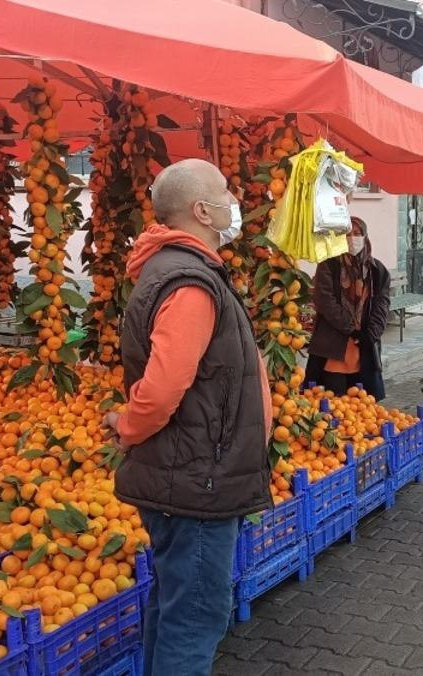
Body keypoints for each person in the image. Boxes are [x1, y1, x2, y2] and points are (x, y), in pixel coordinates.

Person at [104, 158, 272, 676]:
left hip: (189, 473)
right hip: (196, 480)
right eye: (225, 192)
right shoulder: (189, 282)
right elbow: (161, 389)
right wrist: (128, 426)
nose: (233, 201)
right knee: (195, 616)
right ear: (202, 209)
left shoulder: (182, 271)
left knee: (177, 607)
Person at [307, 216, 391, 399]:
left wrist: (370, 335)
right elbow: (325, 301)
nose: (352, 238)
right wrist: (351, 329)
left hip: (365, 347)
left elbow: (381, 305)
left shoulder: (378, 271)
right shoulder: (328, 265)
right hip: (334, 345)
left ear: (365, 236)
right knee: (333, 403)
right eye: (346, 234)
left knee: (363, 407)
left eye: (357, 233)